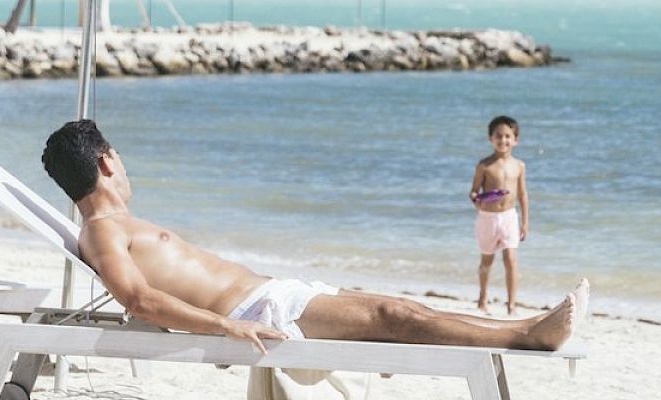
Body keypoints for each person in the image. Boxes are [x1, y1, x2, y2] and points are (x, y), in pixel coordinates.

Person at [41, 120, 585, 354]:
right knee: (397, 319)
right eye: (122, 158)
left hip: (272, 296)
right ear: (107, 161)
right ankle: (526, 336)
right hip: (257, 314)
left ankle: (523, 326)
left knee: (399, 310)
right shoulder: (103, 231)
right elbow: (139, 301)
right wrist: (226, 325)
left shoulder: (114, 227)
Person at [468, 116, 529, 315]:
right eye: (498, 136)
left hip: (509, 217)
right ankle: (482, 299)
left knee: (511, 258)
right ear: (490, 139)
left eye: (507, 136)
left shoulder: (519, 166)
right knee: (487, 261)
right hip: (488, 217)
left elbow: (522, 194)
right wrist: (478, 200)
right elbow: (474, 192)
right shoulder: (484, 165)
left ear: (515, 140)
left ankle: (511, 305)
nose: (503, 140)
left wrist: (525, 223)